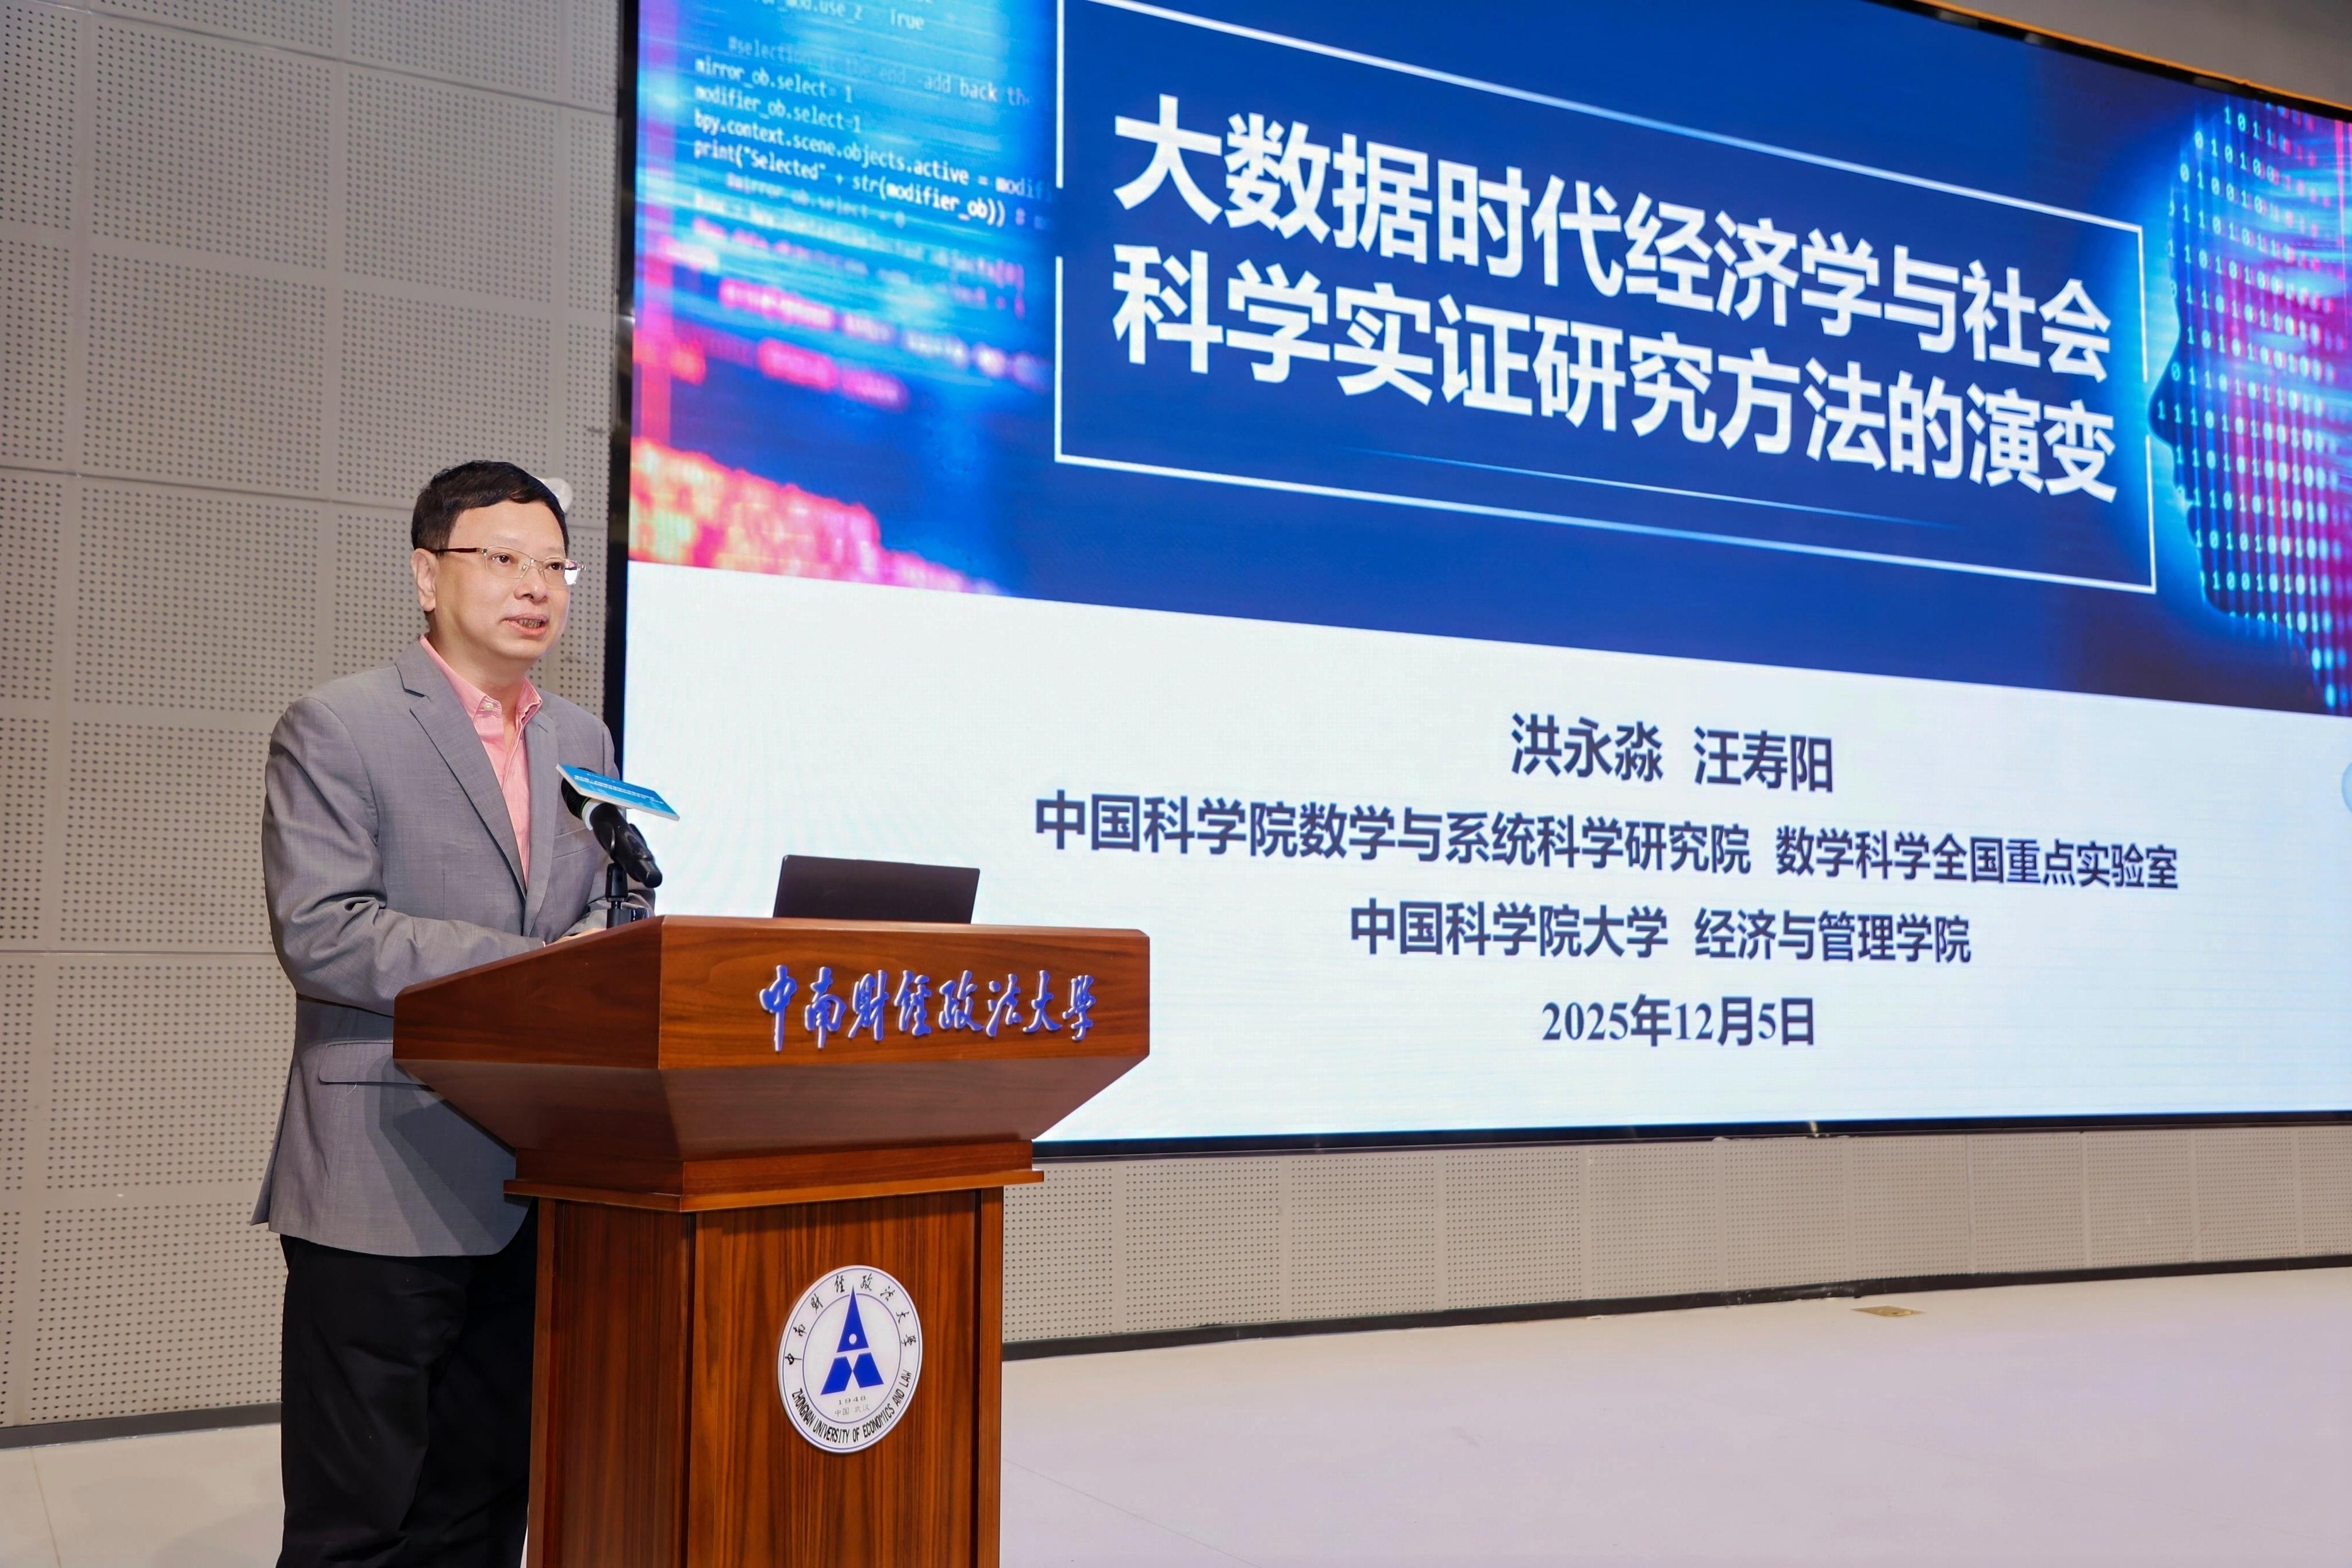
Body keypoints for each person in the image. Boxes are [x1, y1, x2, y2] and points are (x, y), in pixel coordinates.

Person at [257, 460, 624, 1567]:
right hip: (382, 1171)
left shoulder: (584, 741)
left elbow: (609, 902)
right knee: (356, 1519)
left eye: (554, 565)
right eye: (502, 558)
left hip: (538, 1173)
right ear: (427, 576)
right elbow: (325, 932)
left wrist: (616, 944)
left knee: (484, 1506)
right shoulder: (340, 725)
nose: (535, 586)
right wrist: (539, 969)